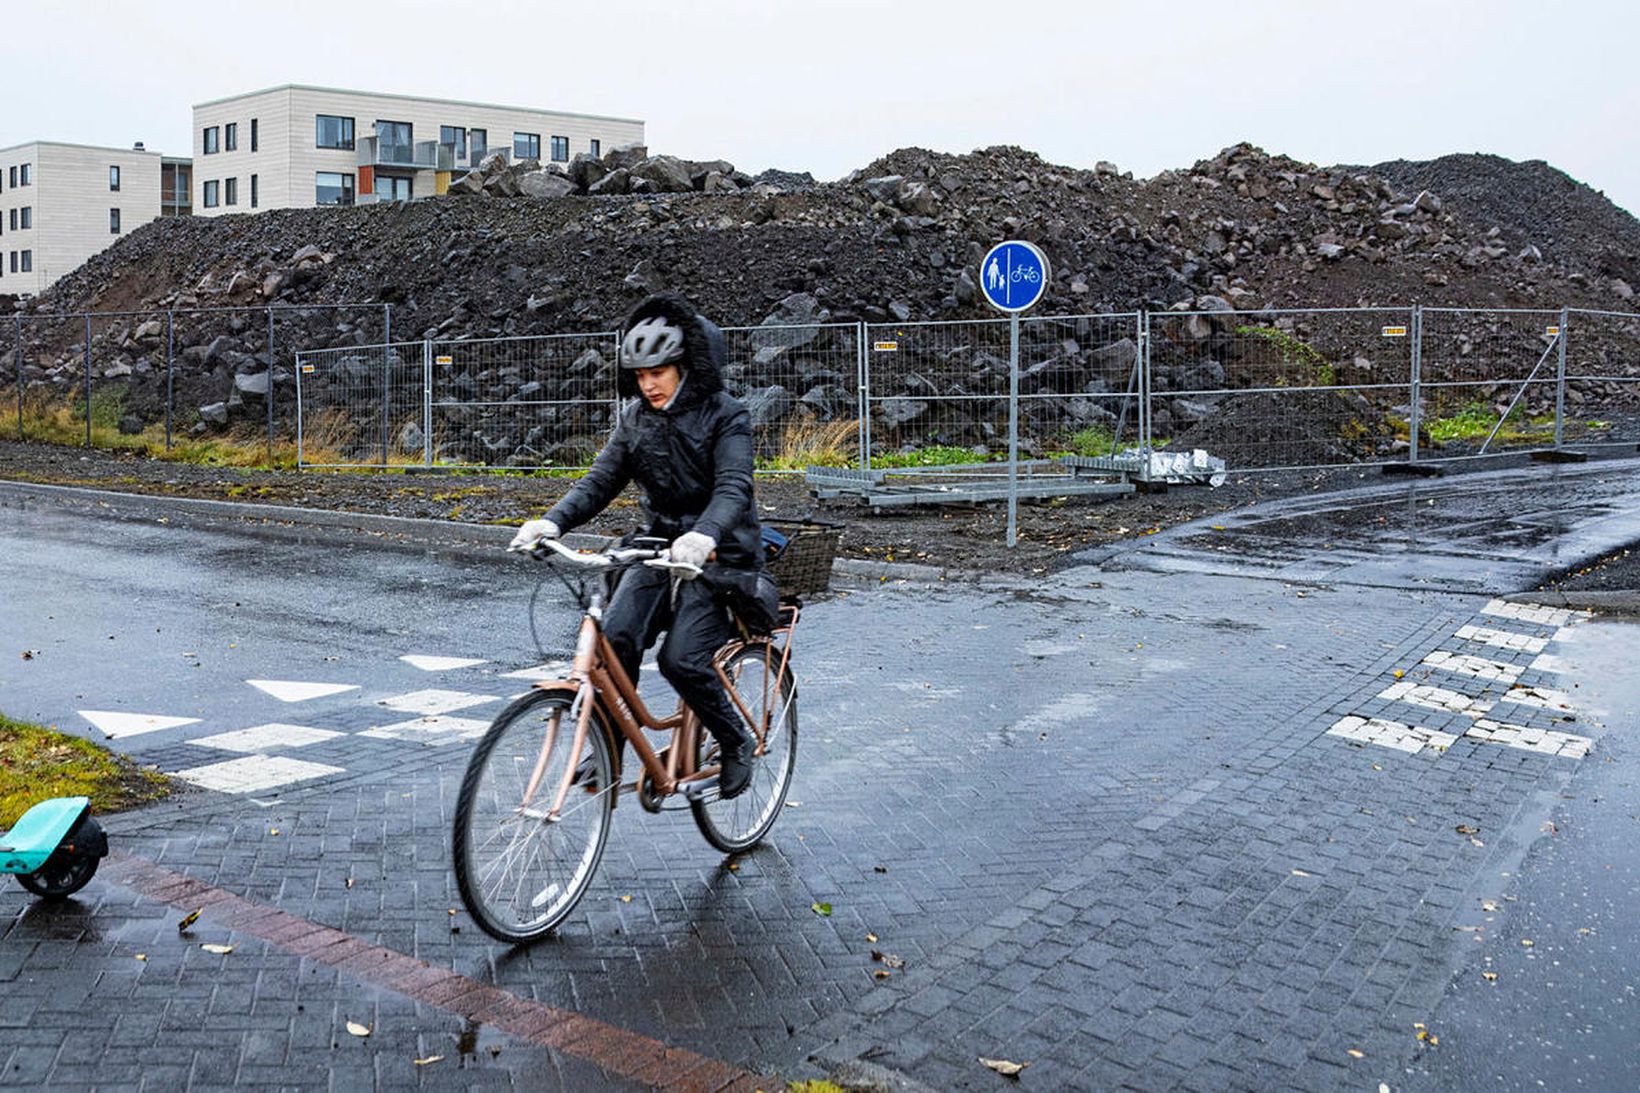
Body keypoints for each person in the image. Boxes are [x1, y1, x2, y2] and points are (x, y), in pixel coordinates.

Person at [509, 293, 765, 799]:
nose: (649, 384)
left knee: (681, 660)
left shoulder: (725, 415)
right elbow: (600, 480)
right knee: (617, 638)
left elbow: (734, 487)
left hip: (717, 556)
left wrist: (705, 535)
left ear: (685, 365)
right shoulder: (636, 419)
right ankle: (610, 751)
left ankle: (735, 741)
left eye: (660, 371)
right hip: (655, 548)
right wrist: (552, 522)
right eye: (640, 374)